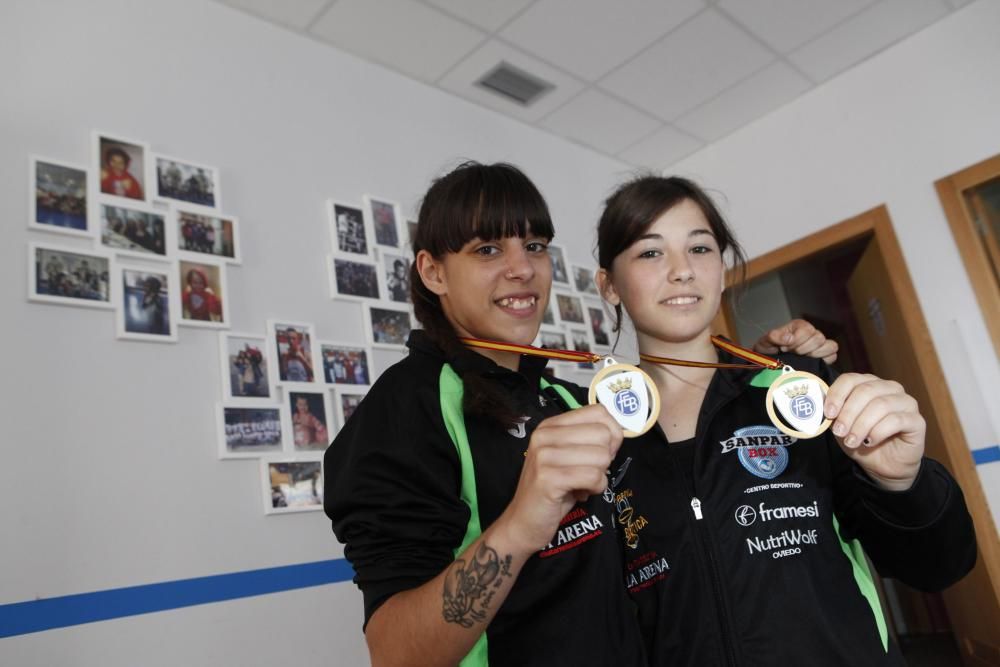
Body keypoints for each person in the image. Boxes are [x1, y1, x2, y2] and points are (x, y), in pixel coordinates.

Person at [323, 162, 831, 667]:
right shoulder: (405, 407)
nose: (522, 268)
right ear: (433, 271)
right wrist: (522, 523)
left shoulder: (564, 399)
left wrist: (755, 379)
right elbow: (396, 653)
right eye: (487, 249)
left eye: (535, 246)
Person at [593, 175, 977, 666]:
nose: (682, 271)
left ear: (722, 266)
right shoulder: (597, 438)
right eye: (650, 253)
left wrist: (904, 482)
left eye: (701, 248)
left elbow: (938, 566)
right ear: (609, 284)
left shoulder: (799, 393)